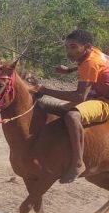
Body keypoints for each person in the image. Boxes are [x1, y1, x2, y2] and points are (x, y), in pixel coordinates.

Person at [35, 29, 109, 183]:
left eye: (73, 47)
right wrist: (69, 70)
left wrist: (45, 90)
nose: (69, 52)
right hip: (98, 94)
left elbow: (79, 96)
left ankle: (78, 163)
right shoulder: (93, 52)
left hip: (105, 101)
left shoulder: (90, 62)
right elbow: (92, 65)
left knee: (72, 115)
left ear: (86, 46)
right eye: (67, 47)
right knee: (59, 111)